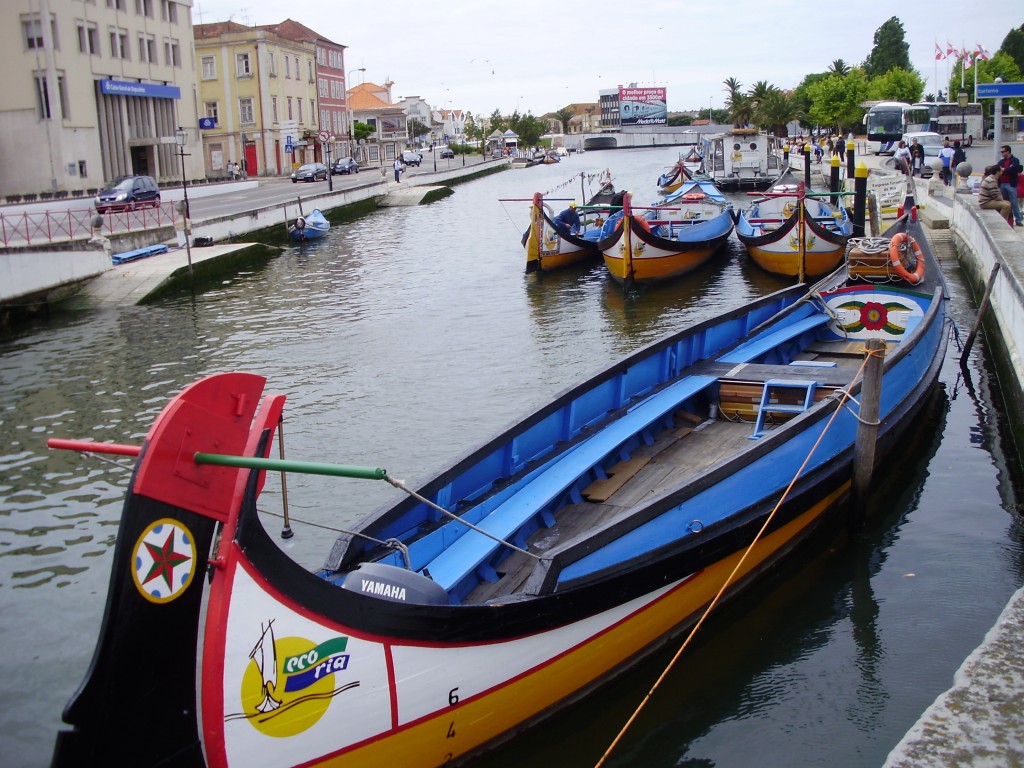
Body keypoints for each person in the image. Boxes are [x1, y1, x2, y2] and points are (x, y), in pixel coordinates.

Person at [996, 144, 1023, 226]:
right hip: (1002, 184)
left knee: (1014, 202)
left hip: (1011, 184)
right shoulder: (1001, 161)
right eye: (1001, 152)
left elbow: (1013, 169)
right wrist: (1005, 170)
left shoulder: (1015, 160)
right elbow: (997, 169)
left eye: (1003, 152)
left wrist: (1004, 170)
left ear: (1008, 151)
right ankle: (1007, 218)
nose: (1001, 153)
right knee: (1004, 202)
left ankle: (1018, 220)